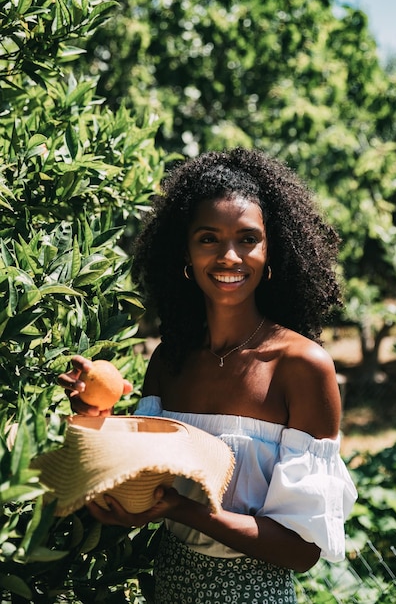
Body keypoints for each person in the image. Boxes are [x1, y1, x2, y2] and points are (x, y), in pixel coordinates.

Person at [59, 148, 357, 604]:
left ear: (270, 249)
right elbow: (143, 485)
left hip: (253, 593)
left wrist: (186, 511)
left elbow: (300, 551)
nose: (229, 256)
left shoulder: (301, 366)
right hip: (169, 587)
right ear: (186, 252)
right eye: (208, 238)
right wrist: (96, 413)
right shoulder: (170, 360)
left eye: (247, 239)